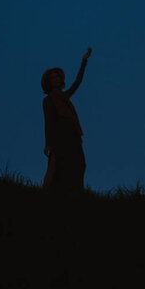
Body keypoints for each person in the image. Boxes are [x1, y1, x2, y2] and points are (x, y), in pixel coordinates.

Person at [41, 47, 92, 193]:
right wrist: (48, 144)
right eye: (52, 77)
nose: (56, 79)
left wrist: (84, 61)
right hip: (60, 138)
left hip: (73, 136)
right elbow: (48, 122)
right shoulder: (48, 100)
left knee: (80, 164)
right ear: (48, 81)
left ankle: (77, 191)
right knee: (58, 167)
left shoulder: (65, 97)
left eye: (58, 76)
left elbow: (77, 82)